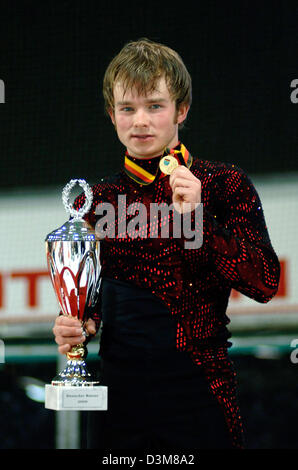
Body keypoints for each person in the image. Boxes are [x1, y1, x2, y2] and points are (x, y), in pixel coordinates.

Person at [52, 38, 280, 449]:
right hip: (120, 409)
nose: (140, 121)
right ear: (111, 115)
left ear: (182, 109)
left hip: (201, 401)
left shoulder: (223, 184)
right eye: (128, 108)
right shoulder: (97, 201)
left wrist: (199, 219)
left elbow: (264, 282)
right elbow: (95, 307)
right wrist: (78, 325)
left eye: (155, 106)